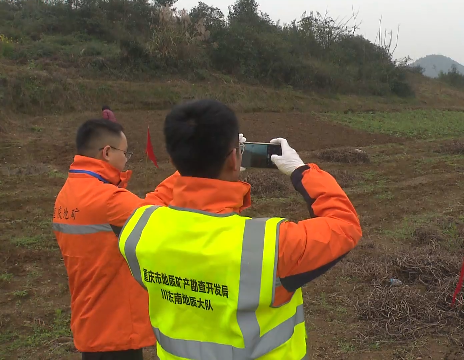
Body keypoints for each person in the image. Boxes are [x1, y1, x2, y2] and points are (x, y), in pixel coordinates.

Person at [117, 99, 362, 360]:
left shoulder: (139, 229)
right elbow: (344, 224)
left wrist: (202, 165)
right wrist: (301, 171)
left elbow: (158, 200)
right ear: (235, 158)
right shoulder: (270, 246)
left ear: (173, 159)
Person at [52, 119, 180, 360]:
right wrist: (191, 170)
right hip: (115, 329)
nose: (127, 159)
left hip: (90, 321)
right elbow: (154, 212)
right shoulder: (107, 199)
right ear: (107, 152)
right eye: (125, 152)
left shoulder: (68, 192)